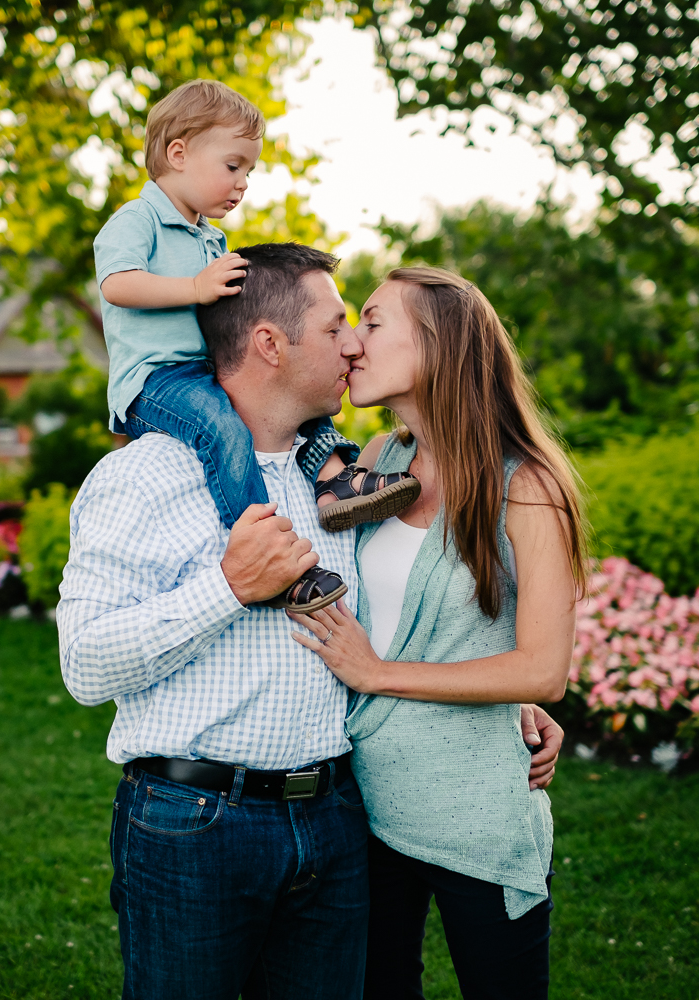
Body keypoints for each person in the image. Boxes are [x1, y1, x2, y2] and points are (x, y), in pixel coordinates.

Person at [59, 245, 564, 1000]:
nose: (353, 344)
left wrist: (506, 696)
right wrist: (228, 587)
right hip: (199, 824)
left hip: (335, 820)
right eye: (338, 326)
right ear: (270, 342)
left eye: (364, 324)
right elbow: (85, 668)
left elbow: (414, 616)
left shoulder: (343, 480)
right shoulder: (149, 474)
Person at [287, 266, 588, 1000]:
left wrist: (380, 673)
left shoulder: (528, 485)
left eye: (373, 320)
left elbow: (544, 669)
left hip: (476, 810)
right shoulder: (372, 468)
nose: (353, 343)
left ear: (439, 344)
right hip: (364, 804)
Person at [93, 79, 420, 613]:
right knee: (221, 428)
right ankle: (271, 555)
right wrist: (195, 288)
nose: (243, 182)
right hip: (156, 381)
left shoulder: (210, 238)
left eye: (249, 171)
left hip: (202, 369)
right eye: (232, 166)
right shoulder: (138, 220)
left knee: (305, 403)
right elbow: (117, 284)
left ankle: (338, 481)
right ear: (178, 154)